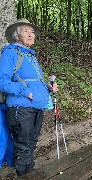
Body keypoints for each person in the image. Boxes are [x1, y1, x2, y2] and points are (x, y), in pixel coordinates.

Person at [0, 18, 57, 176]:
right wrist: (26, 92)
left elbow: (33, 81)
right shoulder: (10, 53)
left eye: (32, 32)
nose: (31, 34)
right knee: (24, 147)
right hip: (20, 108)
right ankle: (25, 175)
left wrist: (48, 88)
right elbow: (2, 81)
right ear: (16, 35)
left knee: (31, 144)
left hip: (35, 106)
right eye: (26, 31)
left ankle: (29, 173)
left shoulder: (31, 56)